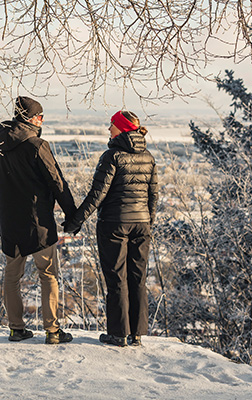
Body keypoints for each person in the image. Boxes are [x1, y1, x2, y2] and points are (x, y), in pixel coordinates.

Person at [63, 110, 158, 347]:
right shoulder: (148, 156)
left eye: (111, 125)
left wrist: (76, 221)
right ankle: (136, 333)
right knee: (138, 277)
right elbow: (153, 195)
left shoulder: (112, 156)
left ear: (122, 128)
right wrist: (148, 222)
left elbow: (97, 195)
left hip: (114, 225)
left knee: (117, 278)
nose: (109, 129)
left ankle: (118, 334)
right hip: (141, 224)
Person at [0, 96, 76, 344]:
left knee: (12, 276)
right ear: (30, 118)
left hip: (10, 225)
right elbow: (56, 182)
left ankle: (16, 328)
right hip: (40, 224)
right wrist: (72, 215)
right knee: (48, 275)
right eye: (40, 115)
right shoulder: (37, 145)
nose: (42, 120)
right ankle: (53, 331)